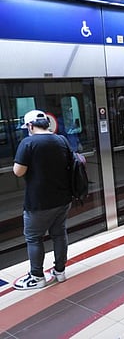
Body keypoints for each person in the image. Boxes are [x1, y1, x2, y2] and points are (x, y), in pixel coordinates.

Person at [13, 110, 72, 289]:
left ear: (30, 126)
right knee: (59, 234)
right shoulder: (61, 140)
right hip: (63, 198)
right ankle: (60, 272)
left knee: (34, 238)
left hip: (38, 202)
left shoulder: (28, 143)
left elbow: (18, 171)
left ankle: (37, 277)